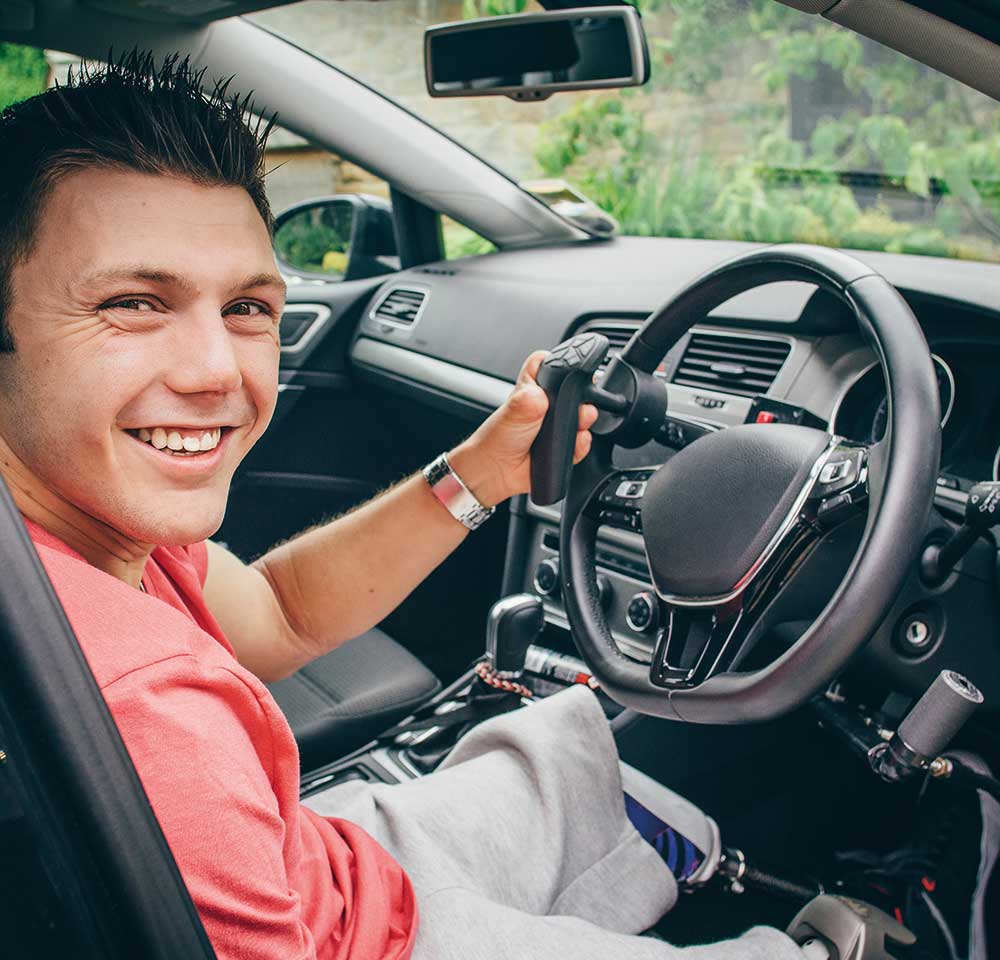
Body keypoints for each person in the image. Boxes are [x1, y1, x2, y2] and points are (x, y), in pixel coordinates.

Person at [0, 53, 806, 960]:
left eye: (248, 307)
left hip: (314, 861)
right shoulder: (153, 716)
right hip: (364, 936)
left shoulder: (70, 536)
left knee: (577, 764)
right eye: (134, 303)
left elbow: (277, 611)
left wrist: (481, 471)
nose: (217, 371)